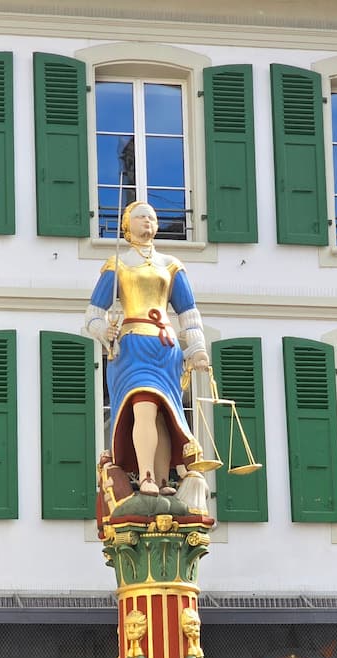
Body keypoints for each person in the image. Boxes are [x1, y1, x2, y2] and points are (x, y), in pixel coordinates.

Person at [85, 201, 210, 495]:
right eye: (141, 217)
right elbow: (92, 314)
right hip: (132, 346)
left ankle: (165, 480)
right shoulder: (118, 264)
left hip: (165, 347)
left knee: (164, 415)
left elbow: (189, 313)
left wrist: (198, 347)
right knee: (143, 406)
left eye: (152, 218)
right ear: (127, 226)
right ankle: (146, 476)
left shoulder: (171, 265)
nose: (148, 223)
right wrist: (105, 329)